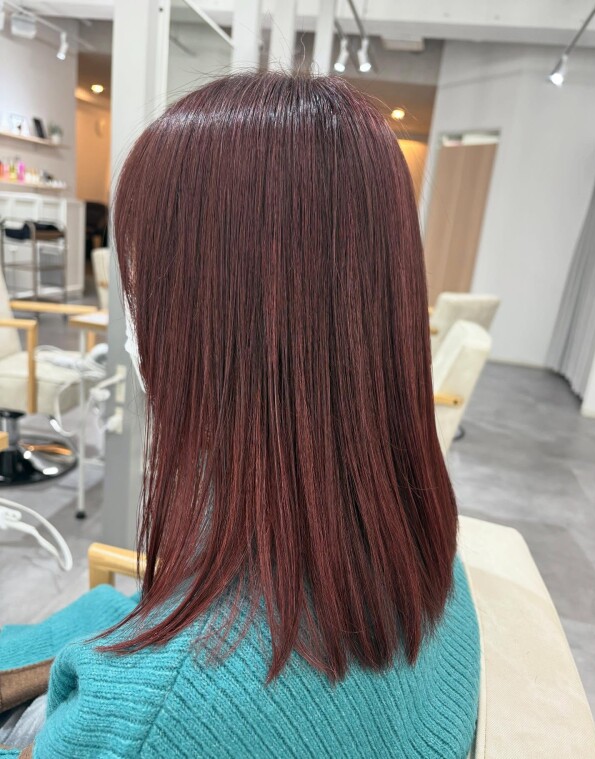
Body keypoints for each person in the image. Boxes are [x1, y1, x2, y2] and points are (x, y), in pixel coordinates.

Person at [0, 73, 479, 758]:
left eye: (139, 288)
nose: (131, 325)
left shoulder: (161, 721)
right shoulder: (426, 553)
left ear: (209, 326)